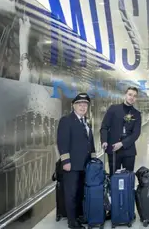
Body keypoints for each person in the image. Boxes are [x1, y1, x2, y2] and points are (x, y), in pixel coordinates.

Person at [57, 93, 96, 229]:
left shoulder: (86, 121)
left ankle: (78, 216)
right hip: (72, 165)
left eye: (85, 104)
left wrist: (93, 159)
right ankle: (72, 222)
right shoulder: (66, 120)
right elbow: (62, 142)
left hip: (84, 165)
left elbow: (90, 142)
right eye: (80, 104)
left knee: (80, 192)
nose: (83, 107)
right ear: (74, 105)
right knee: (71, 193)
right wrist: (66, 161)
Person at [100, 87, 142, 174]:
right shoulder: (113, 109)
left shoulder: (137, 114)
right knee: (114, 178)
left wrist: (122, 144)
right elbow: (104, 126)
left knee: (128, 178)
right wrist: (104, 140)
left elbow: (136, 133)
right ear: (125, 95)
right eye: (130, 94)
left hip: (129, 151)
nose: (132, 97)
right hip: (113, 149)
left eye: (134, 96)